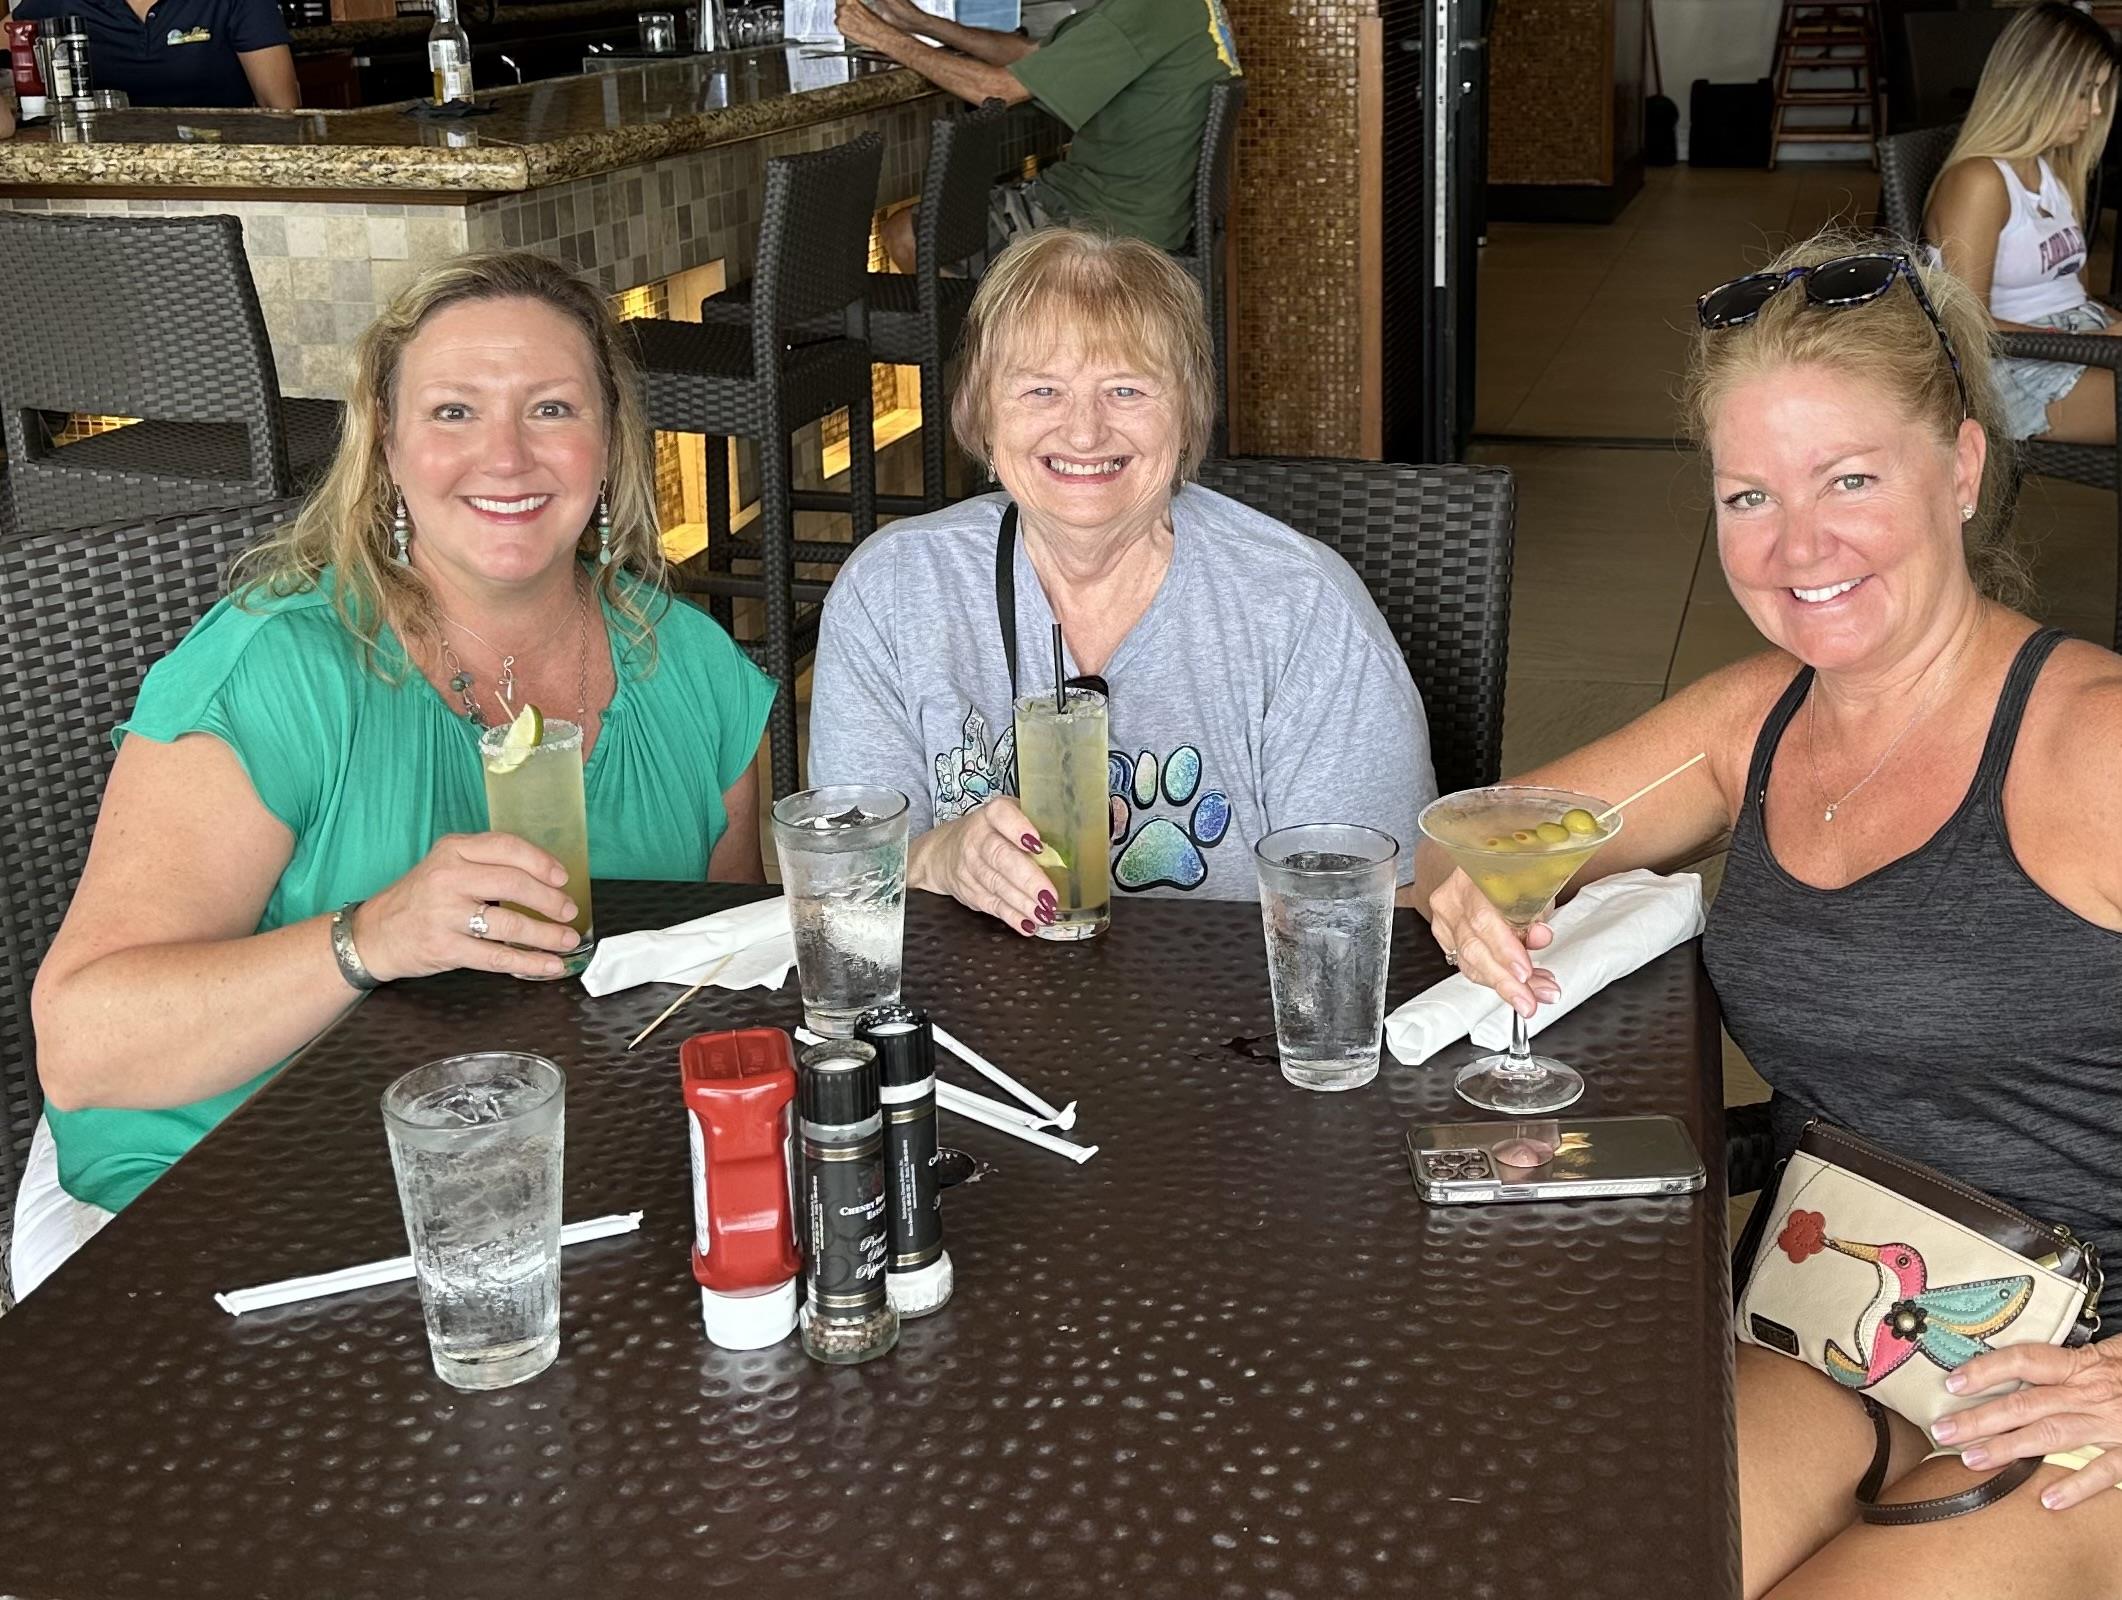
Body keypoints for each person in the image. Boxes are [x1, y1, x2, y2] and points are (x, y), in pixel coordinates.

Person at [1416, 230, 2122, 1594]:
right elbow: (1485, 837)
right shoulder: (1756, 720)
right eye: (1749, 494)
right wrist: (1466, 891)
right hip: (1836, 1318)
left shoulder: (2090, 745)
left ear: (1960, 469)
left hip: (2075, 1378)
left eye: (1849, 478)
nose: (1798, 545)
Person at [17, 251, 774, 1298]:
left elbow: (716, 975)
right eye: (454, 411)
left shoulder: (696, 673)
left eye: (551, 408)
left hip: (544, 1182)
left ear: (608, 444)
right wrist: (368, 937)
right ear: (387, 446)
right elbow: (85, 1045)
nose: (505, 456)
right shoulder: (279, 669)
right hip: (220, 1189)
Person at [808, 228, 1432, 934]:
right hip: (962, 997)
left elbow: (1370, 914)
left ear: (1187, 414)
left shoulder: (1301, 606)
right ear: (983, 414)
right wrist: (935, 857)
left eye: (1126, 390)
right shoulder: (892, 591)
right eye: (1042, 390)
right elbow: (839, 894)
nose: (1083, 433)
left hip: (1228, 1000)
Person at [831, 0, 1239, 267]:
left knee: (907, 235)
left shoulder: (1147, 8)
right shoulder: (1184, 8)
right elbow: (1028, 55)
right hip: (1147, 217)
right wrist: (919, 23)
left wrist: (883, 38)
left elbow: (998, 90)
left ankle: (995, 365)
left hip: (1102, 225)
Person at [1924, 0, 2121, 444]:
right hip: (2015, 364)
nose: (2095, 110)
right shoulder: (1980, 181)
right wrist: (2093, 340)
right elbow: (1967, 324)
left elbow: (2073, 290)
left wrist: (2106, 328)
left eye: (2100, 93)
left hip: (2077, 337)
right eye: (2084, 92)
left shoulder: (2053, 171)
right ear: (2036, 86)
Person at [4, 0, 299, 109]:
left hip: (220, 168)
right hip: (102, 173)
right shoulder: (57, 2)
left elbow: (281, 108)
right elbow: (10, 35)